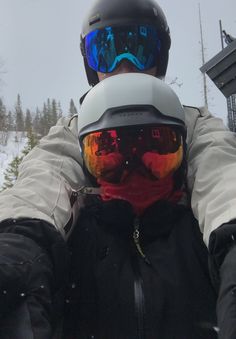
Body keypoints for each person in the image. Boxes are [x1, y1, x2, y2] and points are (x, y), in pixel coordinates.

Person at [0, 0, 235, 337]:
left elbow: (223, 178)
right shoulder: (73, 133)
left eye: (140, 49)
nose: (124, 65)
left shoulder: (192, 126)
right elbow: (42, 184)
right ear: (91, 64)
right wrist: (18, 246)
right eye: (107, 51)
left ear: (160, 57)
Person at [62, 73, 217, 339]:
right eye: (111, 158)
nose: (134, 173)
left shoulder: (204, 238)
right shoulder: (71, 244)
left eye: (156, 150)